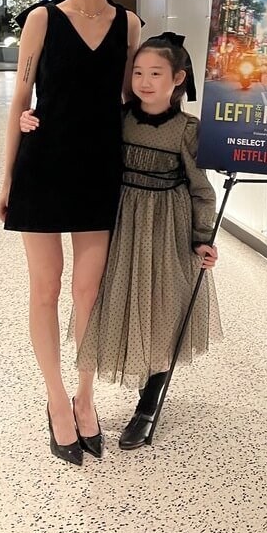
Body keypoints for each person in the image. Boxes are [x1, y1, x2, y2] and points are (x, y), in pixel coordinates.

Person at [0, 0, 142, 466]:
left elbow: (132, 96)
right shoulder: (42, 18)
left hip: (100, 167)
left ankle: (86, 397)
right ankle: (56, 399)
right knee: (44, 287)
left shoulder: (129, 25)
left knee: (89, 292)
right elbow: (19, 98)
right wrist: (7, 177)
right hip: (43, 164)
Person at [76, 32, 221, 449]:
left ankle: (149, 403)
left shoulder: (186, 130)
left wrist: (202, 239)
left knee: (164, 308)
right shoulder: (119, 119)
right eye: (138, 72)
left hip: (166, 229)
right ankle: (114, 391)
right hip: (122, 225)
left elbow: (201, 190)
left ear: (178, 78)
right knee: (118, 300)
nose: (144, 80)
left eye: (155, 73)